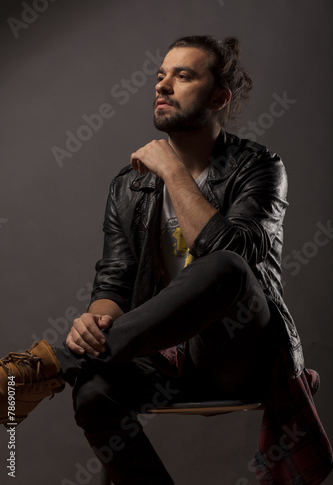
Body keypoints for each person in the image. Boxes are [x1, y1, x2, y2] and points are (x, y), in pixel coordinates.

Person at [0, 35, 332, 485]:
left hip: (241, 353)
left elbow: (231, 254)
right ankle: (68, 363)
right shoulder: (129, 185)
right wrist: (94, 322)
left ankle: (52, 363)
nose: (163, 85)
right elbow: (113, 284)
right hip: (164, 356)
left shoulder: (258, 167)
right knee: (93, 392)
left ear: (218, 97)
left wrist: (173, 170)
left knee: (224, 265)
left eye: (184, 76)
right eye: (160, 76)